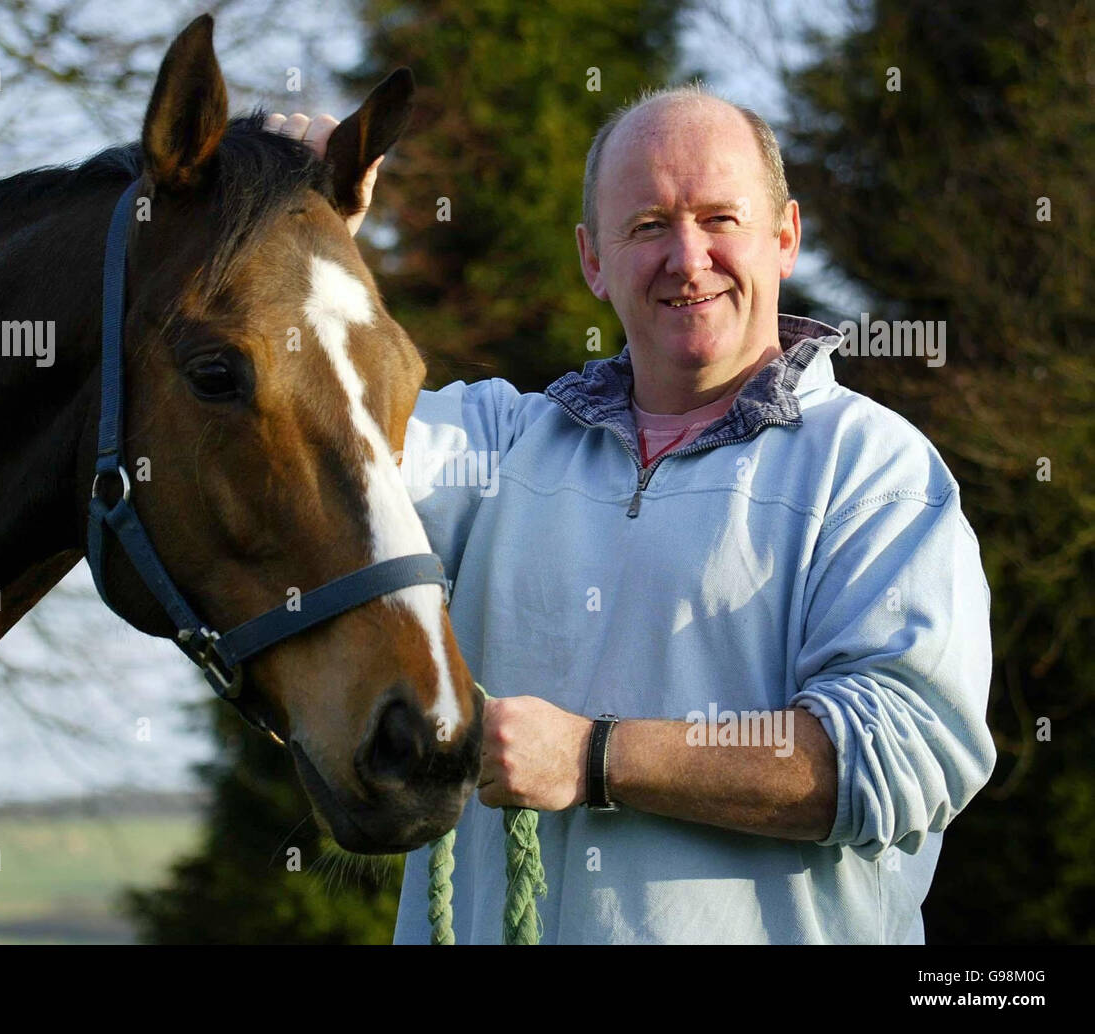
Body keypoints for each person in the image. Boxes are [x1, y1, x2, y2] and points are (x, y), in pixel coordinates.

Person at [265, 85, 995, 944]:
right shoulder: (502, 446)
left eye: (720, 218)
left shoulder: (873, 471)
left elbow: (898, 755)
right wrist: (301, 228)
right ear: (593, 261)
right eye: (648, 226)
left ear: (785, 237)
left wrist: (594, 758)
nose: (688, 259)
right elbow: (317, 427)